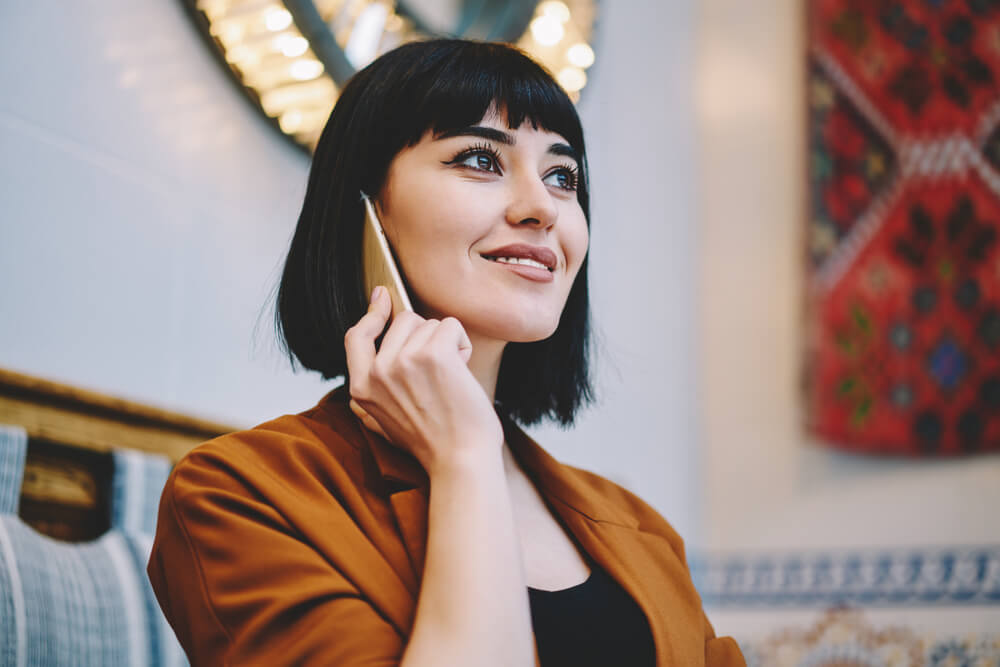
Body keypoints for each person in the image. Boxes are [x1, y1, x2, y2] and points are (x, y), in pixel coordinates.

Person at [147, 38, 745, 666]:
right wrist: (465, 456)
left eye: (563, 176)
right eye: (480, 159)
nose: (542, 207)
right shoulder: (240, 494)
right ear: (368, 211)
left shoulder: (642, 532)